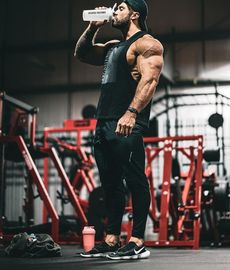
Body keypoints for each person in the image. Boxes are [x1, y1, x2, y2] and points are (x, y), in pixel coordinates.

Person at [74, 0, 163, 260]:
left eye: (120, 8)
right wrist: (92, 28)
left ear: (134, 14)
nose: (114, 11)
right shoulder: (114, 46)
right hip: (104, 122)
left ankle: (137, 241)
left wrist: (131, 113)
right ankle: (112, 239)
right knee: (110, 182)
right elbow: (82, 54)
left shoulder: (147, 44)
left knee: (135, 180)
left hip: (127, 121)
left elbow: (150, 80)